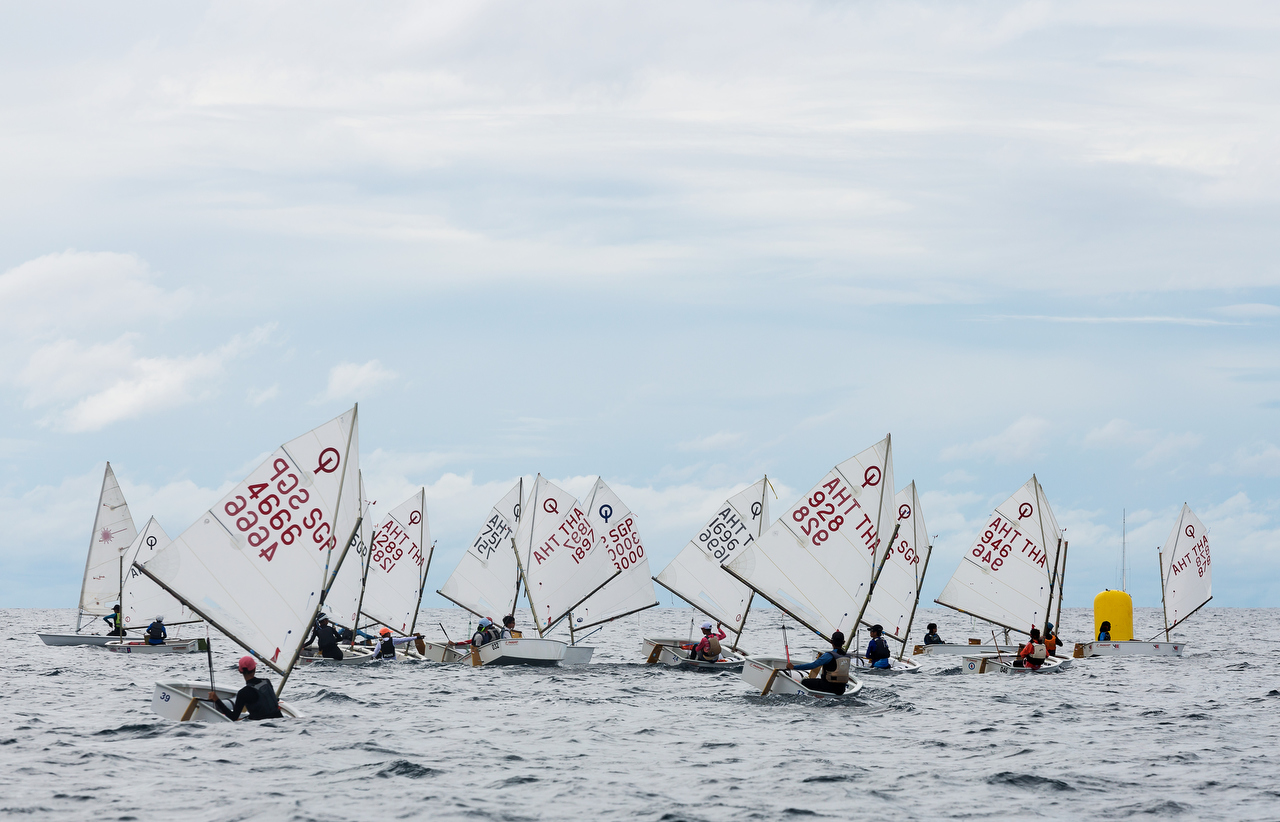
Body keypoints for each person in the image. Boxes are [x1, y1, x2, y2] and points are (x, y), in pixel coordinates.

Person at [210, 656, 284, 721]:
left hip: (263, 726)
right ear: (255, 668)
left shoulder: (243, 693)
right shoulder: (267, 682)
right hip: (279, 720)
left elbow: (233, 717)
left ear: (240, 671)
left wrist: (216, 700)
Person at [786, 631, 852, 695]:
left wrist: (794, 667)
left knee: (804, 682)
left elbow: (813, 665)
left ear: (831, 641)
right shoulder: (848, 657)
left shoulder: (829, 655)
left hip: (828, 687)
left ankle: (817, 695)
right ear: (843, 642)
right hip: (841, 690)